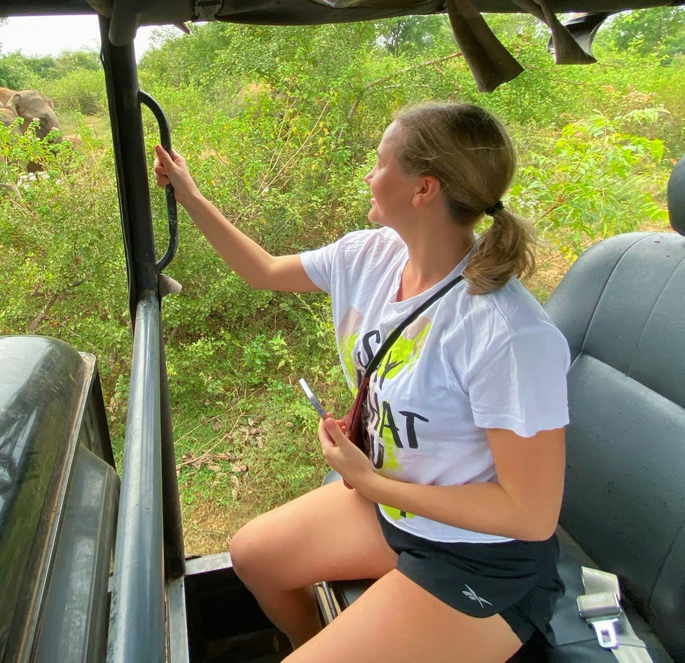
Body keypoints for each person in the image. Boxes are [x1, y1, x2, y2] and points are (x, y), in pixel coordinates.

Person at [153, 102, 571, 663]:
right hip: (395, 511)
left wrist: (373, 485)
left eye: (380, 163)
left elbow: (530, 514)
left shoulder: (507, 333)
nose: (369, 176)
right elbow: (264, 272)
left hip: (480, 557)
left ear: (424, 189)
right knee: (252, 554)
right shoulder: (368, 256)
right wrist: (189, 195)